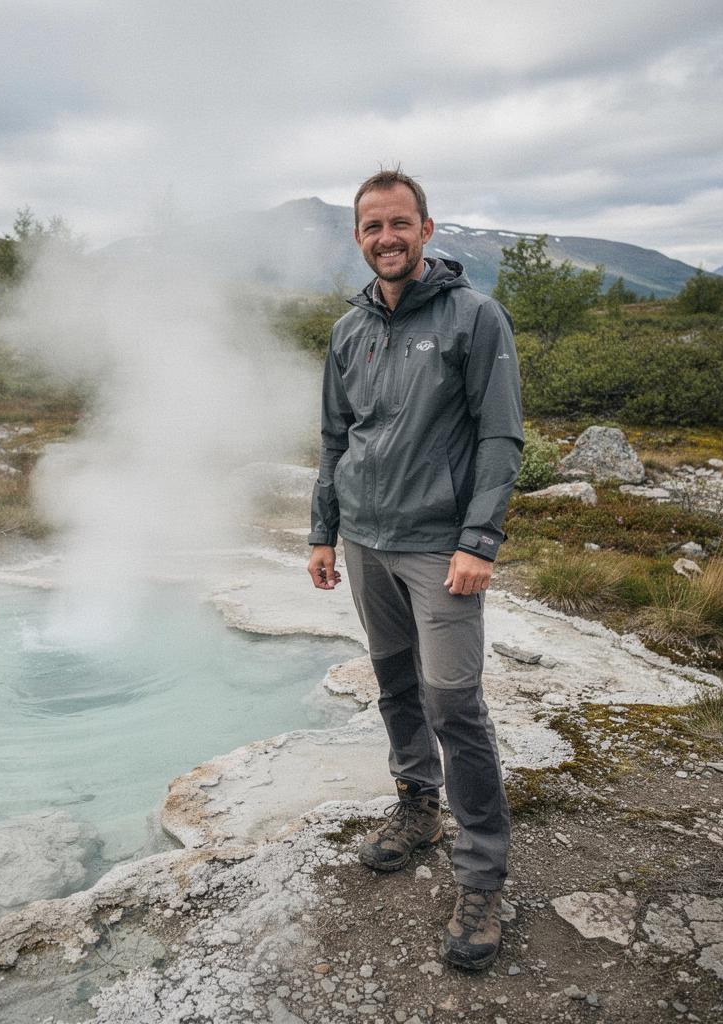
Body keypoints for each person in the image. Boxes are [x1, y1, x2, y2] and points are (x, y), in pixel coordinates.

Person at [306, 168, 523, 971]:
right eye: (372, 227)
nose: (386, 238)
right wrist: (322, 533)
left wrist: (479, 542)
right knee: (394, 683)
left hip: (439, 549)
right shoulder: (347, 330)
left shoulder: (474, 317)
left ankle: (482, 875)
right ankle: (417, 807)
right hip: (364, 541)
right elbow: (336, 439)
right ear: (358, 238)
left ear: (427, 230)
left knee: (454, 703)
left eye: (400, 223)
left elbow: (500, 438)